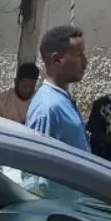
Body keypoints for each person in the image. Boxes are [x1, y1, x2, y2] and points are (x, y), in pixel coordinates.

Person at [25, 24, 89, 152]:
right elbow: (39, 163)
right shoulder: (48, 109)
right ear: (56, 60)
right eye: (78, 55)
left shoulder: (62, 98)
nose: (85, 62)